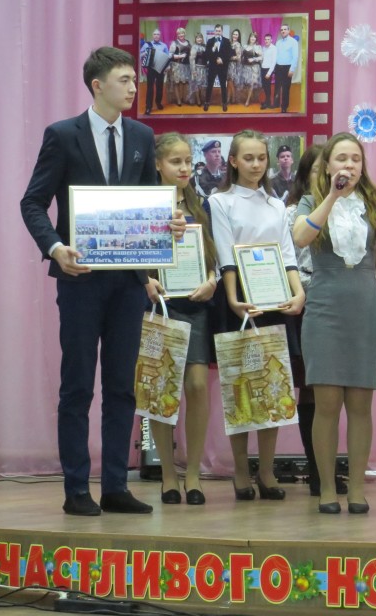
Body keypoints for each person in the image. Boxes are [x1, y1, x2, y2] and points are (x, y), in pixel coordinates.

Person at [20, 46, 184, 516]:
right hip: (80, 278)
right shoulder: (63, 135)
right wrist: (56, 247)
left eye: (134, 79)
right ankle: (76, 488)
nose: (134, 87)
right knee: (77, 386)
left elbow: (149, 202)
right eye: (124, 80)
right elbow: (33, 202)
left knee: (122, 386)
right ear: (98, 85)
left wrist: (167, 226)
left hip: (128, 282)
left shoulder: (142, 135)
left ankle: (115, 485)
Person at [291, 133, 376, 515]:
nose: (349, 165)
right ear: (328, 165)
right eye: (342, 158)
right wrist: (332, 197)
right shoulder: (311, 201)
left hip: (365, 308)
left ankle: (356, 489)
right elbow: (301, 237)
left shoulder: (375, 205)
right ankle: (326, 488)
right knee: (326, 403)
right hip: (324, 308)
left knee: (360, 403)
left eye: (355, 159)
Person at [208, 130, 306, 502]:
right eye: (248, 158)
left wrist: (298, 292)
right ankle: (240, 470)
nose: (256, 164)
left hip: (274, 298)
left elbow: (287, 254)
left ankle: (266, 470)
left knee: (273, 387)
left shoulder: (277, 205)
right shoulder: (220, 201)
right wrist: (234, 299)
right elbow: (225, 253)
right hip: (237, 300)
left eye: (261, 158)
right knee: (241, 388)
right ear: (233, 161)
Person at [150, 133, 219, 506]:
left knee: (196, 385)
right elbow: (131, 252)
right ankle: (167, 474)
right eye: (175, 161)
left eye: (187, 161)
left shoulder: (200, 203)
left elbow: (212, 254)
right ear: (158, 164)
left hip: (194, 304)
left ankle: (193, 473)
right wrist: (144, 281)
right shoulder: (144, 203)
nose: (183, 168)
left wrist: (211, 280)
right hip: (157, 305)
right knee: (162, 389)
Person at [282, 145, 346, 497]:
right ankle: (318, 471)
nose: (328, 175)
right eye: (319, 169)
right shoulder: (294, 211)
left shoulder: (350, 207)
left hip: (336, 304)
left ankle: (326, 470)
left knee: (331, 390)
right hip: (302, 304)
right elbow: (289, 258)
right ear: (306, 175)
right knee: (309, 389)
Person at [205, 24, 233, 112]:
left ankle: (224, 103)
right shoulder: (210, 41)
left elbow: (229, 54)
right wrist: (213, 49)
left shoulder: (227, 41)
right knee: (209, 85)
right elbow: (207, 54)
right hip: (212, 67)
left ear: (222, 31)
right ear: (214, 31)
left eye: (219, 31)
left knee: (223, 86)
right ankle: (207, 102)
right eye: (216, 31)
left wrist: (222, 59)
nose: (218, 32)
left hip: (222, 67)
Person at [273, 24, 300, 113]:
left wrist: (292, 69)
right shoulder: (278, 42)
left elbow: (295, 57)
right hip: (278, 67)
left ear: (288, 31)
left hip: (287, 68)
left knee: (285, 88)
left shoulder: (293, 42)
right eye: (281, 30)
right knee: (277, 86)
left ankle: (284, 107)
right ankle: (276, 103)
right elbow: (276, 56)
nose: (283, 31)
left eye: (285, 29)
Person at [142, 29, 169, 115]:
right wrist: (145, 53)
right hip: (151, 68)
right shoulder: (147, 44)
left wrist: (167, 67)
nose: (156, 36)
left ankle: (158, 102)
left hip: (160, 68)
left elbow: (167, 57)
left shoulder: (164, 45)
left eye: (158, 34)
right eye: (155, 34)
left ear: (160, 36)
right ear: (152, 35)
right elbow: (140, 54)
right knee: (150, 88)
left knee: (159, 87)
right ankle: (148, 107)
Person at [168, 27, 192, 106]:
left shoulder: (188, 42)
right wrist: (180, 56)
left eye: (182, 33)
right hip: (177, 66)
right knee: (177, 83)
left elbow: (191, 54)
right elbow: (170, 55)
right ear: (177, 35)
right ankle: (178, 100)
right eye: (179, 33)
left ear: (185, 34)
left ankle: (184, 98)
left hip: (186, 66)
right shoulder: (174, 43)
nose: (181, 35)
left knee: (185, 83)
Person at [241, 32, 263, 108]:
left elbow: (261, 57)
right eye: (251, 37)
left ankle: (247, 100)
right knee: (247, 84)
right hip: (246, 68)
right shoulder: (245, 46)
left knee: (251, 84)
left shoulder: (258, 47)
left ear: (256, 39)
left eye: (254, 37)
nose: (253, 38)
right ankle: (251, 96)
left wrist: (253, 59)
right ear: (249, 38)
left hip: (254, 68)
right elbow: (241, 56)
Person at [189, 31, 207, 107]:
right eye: (198, 38)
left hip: (204, 68)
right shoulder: (194, 47)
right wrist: (193, 70)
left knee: (203, 85)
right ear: (195, 39)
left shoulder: (205, 46)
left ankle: (201, 97)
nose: (199, 39)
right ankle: (198, 100)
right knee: (196, 84)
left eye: (200, 38)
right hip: (197, 68)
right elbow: (192, 59)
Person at [260, 33, 277, 109]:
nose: (266, 41)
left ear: (271, 40)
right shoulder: (263, 48)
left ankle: (268, 103)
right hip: (263, 69)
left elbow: (274, 62)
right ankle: (267, 101)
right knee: (264, 86)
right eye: (265, 39)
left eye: (268, 39)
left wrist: (269, 73)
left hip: (268, 70)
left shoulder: (274, 48)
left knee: (267, 87)